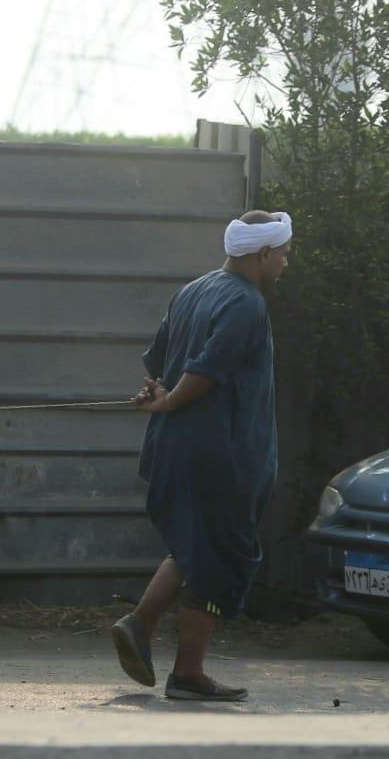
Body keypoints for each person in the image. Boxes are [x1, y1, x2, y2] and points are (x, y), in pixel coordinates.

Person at [111, 210, 292, 702]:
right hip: (220, 454)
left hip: (176, 447)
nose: (285, 261)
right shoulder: (247, 303)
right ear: (262, 254)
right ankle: (187, 673)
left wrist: (156, 393)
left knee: (197, 547)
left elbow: (161, 363)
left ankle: (140, 623)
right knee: (222, 556)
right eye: (282, 252)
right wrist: (167, 399)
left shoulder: (193, 290)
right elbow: (205, 371)